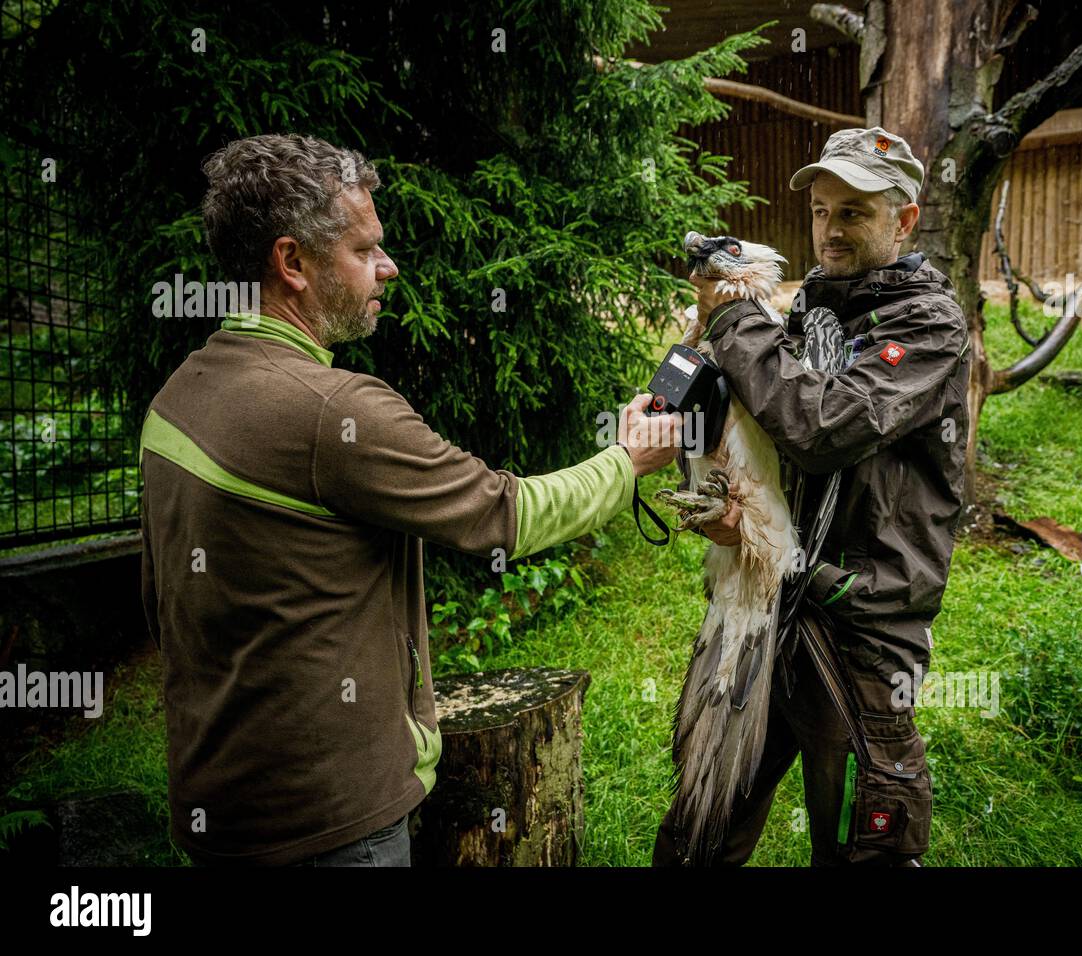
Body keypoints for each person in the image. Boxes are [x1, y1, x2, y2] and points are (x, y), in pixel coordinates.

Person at [139, 133, 681, 867]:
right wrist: (630, 459)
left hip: (219, 805)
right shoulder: (330, 412)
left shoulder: (177, 398)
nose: (388, 268)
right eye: (365, 251)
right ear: (291, 262)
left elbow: (161, 600)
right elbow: (504, 515)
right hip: (330, 819)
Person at [653, 126, 971, 866]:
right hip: (771, 599)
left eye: (854, 212)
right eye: (823, 211)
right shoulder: (806, 313)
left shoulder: (925, 323)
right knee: (700, 822)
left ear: (905, 219)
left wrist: (732, 316)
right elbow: (775, 443)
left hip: (860, 620)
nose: (831, 228)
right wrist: (734, 505)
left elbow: (821, 425)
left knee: (863, 846)